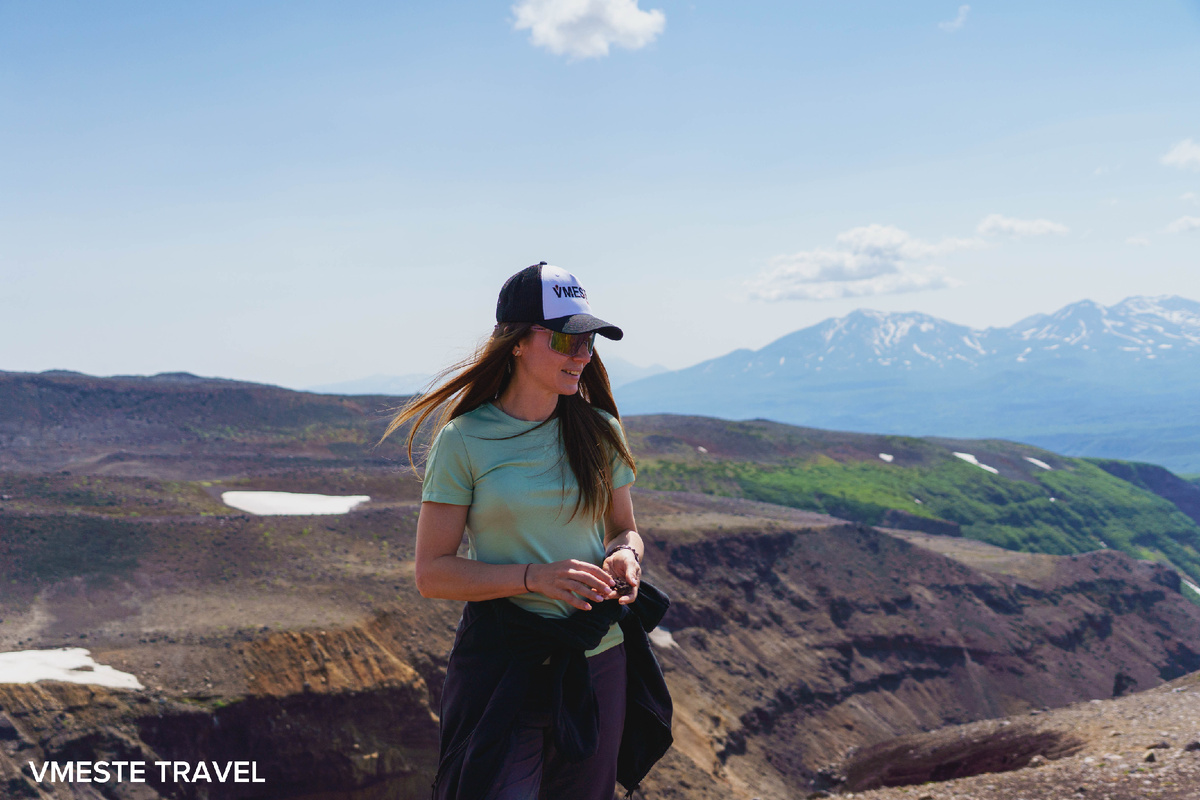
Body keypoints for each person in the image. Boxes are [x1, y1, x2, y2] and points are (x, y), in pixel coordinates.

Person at [379, 263, 672, 800]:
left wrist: (626, 556)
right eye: (565, 339)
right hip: (505, 668)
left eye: (588, 341)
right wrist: (535, 577)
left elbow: (624, 530)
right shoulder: (463, 440)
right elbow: (432, 573)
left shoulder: (601, 431)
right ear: (515, 342)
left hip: (598, 660)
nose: (581, 355)